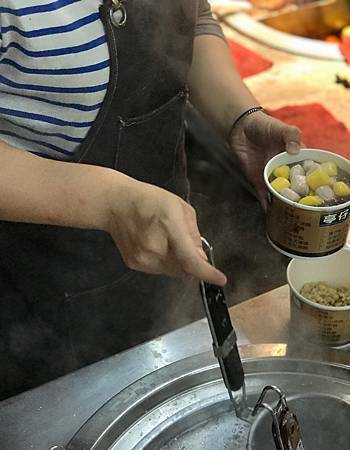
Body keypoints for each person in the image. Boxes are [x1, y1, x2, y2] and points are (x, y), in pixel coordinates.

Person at [0, 0, 302, 398]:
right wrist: (110, 202)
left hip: (164, 246)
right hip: (42, 287)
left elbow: (192, 17)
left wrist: (238, 116)